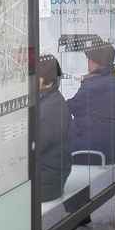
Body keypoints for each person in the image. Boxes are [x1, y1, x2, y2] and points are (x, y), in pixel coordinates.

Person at [68, 42, 115, 165]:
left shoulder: (93, 85)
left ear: (96, 62)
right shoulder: (110, 79)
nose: (88, 62)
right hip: (111, 149)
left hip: (94, 151)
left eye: (89, 59)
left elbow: (68, 108)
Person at [37, 55, 72, 202]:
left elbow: (35, 147)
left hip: (46, 182)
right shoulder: (51, 100)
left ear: (47, 82)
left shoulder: (50, 108)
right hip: (52, 176)